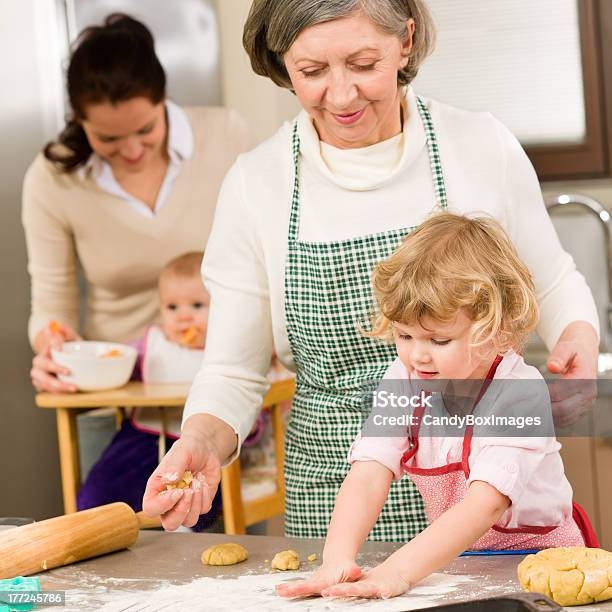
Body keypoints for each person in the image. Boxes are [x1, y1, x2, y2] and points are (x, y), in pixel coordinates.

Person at [142, 0, 600, 539]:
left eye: (363, 64)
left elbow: (550, 280)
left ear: (405, 42)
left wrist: (578, 335)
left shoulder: (478, 145)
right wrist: (199, 439)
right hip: (334, 500)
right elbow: (233, 371)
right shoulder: (256, 182)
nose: (340, 95)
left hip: (487, 499)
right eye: (311, 72)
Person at [276, 212, 599, 599]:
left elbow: (484, 506)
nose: (417, 356)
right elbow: (369, 473)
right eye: (404, 335)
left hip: (544, 564)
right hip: (460, 561)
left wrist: (396, 572)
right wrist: (338, 558)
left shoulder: (518, 394)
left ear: (496, 330)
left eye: (439, 341)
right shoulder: (405, 378)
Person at [23, 13, 250, 393]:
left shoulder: (225, 136)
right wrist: (53, 344)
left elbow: (269, 262)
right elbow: (51, 303)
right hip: (114, 389)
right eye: (108, 138)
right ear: (79, 120)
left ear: (163, 99)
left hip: (226, 382)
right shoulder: (52, 179)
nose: (131, 151)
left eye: (145, 129)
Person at [77, 251, 223, 526]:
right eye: (172, 307)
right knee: (98, 493)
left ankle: (186, 531)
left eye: (197, 305)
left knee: (201, 501)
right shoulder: (152, 345)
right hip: (143, 435)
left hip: (200, 446)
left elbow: (244, 400)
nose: (184, 318)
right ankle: (98, 524)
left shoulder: (224, 353)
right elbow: (119, 366)